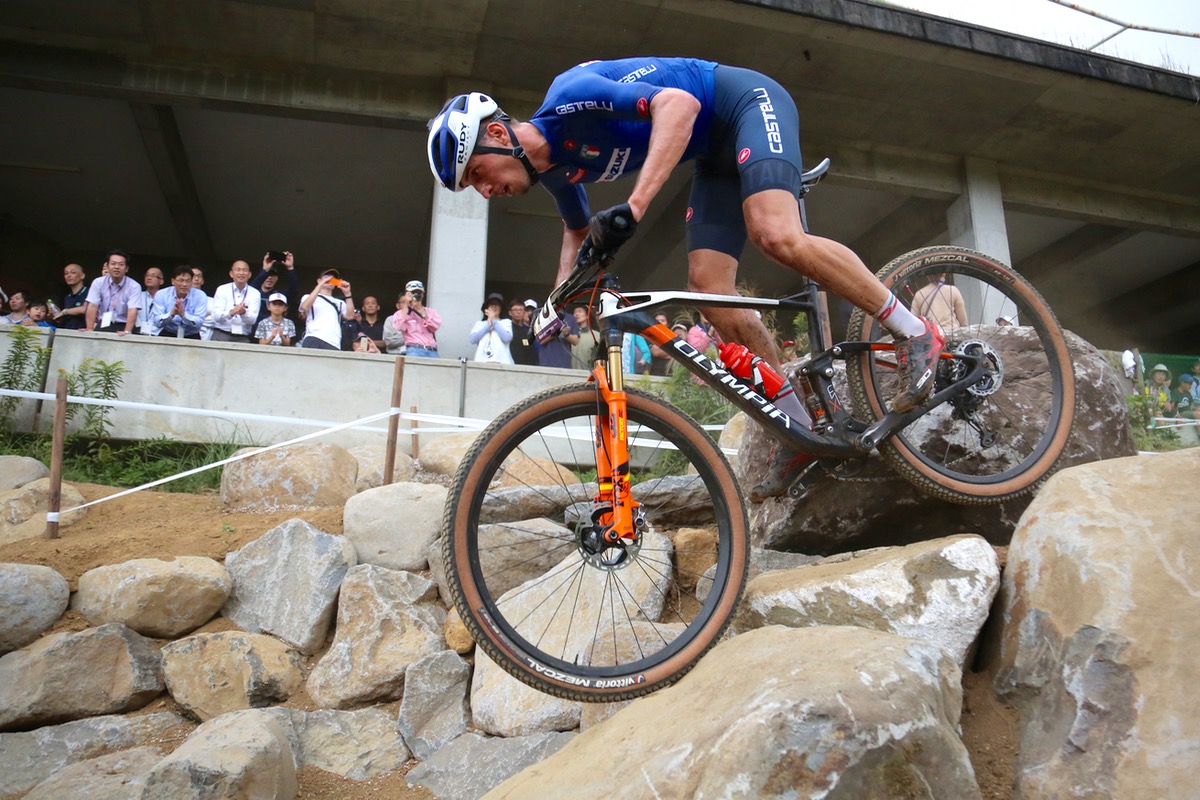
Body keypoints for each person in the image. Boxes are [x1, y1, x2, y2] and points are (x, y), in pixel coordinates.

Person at [427, 58, 945, 498]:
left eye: (475, 173)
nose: (481, 190)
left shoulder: (570, 97)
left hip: (744, 104)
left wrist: (634, 207)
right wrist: (559, 298)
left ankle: (916, 332)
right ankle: (802, 431)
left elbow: (680, 106)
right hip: (713, 156)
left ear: (498, 134)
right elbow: (576, 232)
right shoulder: (558, 171)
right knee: (709, 290)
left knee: (774, 234)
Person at [84, 250, 141, 334]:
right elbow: (92, 306)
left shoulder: (134, 286)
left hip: (124, 324)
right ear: (107, 266)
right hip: (104, 323)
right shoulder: (98, 282)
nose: (116, 267)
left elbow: (132, 310)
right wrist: (89, 329)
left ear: (126, 269)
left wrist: (127, 331)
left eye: (121, 264)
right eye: (113, 263)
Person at [299, 270, 356, 350]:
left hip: (334, 342)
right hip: (314, 337)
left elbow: (350, 317)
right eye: (326, 277)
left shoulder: (339, 302)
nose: (329, 279)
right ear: (319, 280)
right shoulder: (308, 296)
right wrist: (321, 285)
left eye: (333, 279)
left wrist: (348, 294)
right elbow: (304, 307)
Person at [151, 265, 208, 339]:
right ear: (173, 281)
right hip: (169, 332)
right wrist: (171, 314)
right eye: (181, 280)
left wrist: (183, 314)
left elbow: (199, 322)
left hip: (191, 334)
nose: (184, 284)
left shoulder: (200, 295)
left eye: (188, 281)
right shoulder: (162, 294)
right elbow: (157, 322)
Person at [250, 252, 300, 336]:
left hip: (274, 336)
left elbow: (293, 290)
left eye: (273, 276)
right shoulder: (253, 292)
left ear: (277, 279)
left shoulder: (278, 296)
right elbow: (250, 290)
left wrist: (290, 268)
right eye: (267, 275)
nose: (269, 278)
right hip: (254, 333)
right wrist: (265, 270)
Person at [211, 260, 262, 343]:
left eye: (244, 270)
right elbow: (216, 316)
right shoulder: (222, 289)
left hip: (242, 337)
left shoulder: (255, 293)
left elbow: (253, 320)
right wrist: (231, 312)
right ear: (231, 273)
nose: (241, 273)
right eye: (238, 270)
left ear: (249, 274)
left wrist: (243, 313)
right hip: (221, 335)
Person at [390, 280, 441, 357]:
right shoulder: (400, 313)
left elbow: (435, 326)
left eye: (418, 293)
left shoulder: (431, 312)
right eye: (413, 293)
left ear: (423, 295)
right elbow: (399, 327)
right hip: (414, 350)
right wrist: (406, 304)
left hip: (432, 350)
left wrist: (420, 310)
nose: (415, 295)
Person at [470, 292, 514, 364]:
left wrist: (494, 321)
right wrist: (487, 327)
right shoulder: (480, 324)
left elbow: (507, 338)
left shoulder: (506, 322)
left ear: (501, 308)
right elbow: (472, 340)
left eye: (497, 305)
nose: (494, 307)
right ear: (486, 308)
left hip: (502, 362)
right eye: (492, 305)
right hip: (481, 361)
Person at [55, 263, 89, 329]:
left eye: (73, 273)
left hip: (82, 333)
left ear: (82, 275)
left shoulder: (89, 292)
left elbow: (85, 309)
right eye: (66, 273)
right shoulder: (67, 297)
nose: (68, 276)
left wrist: (65, 312)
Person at [508, 299, 538, 366]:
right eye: (515, 310)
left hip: (528, 368)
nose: (518, 312)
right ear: (510, 313)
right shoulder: (507, 328)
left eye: (521, 310)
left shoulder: (529, 331)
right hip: (511, 367)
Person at [136, 267, 164, 335]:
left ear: (161, 281)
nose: (149, 278)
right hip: (138, 333)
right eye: (147, 275)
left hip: (158, 335)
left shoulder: (165, 298)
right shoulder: (138, 296)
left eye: (153, 276)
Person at [191, 266, 216, 340]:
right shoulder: (181, 299)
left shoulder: (212, 301)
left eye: (199, 276)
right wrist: (205, 314)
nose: (196, 279)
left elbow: (217, 320)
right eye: (193, 276)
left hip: (208, 338)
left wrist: (194, 317)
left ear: (202, 281)